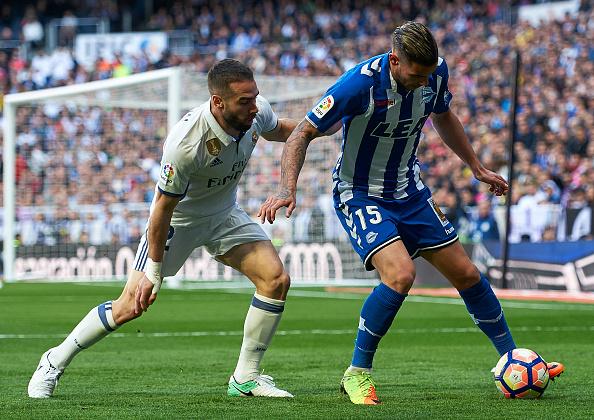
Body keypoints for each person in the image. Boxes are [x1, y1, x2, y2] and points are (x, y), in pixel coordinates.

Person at [259, 22, 564, 405]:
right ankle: (357, 373)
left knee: (468, 274)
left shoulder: (435, 72)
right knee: (401, 275)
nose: (424, 82)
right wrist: (287, 189)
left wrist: (476, 167)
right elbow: (302, 131)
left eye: (428, 74)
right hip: (360, 195)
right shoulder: (358, 84)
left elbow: (443, 115)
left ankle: (513, 359)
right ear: (394, 61)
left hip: (411, 191)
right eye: (416, 75)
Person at [28, 59, 298, 399]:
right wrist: (152, 271)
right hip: (178, 224)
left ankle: (245, 377)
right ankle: (53, 360)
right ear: (218, 102)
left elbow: (283, 130)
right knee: (131, 305)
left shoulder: (256, 112)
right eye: (244, 101)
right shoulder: (185, 144)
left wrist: (325, 124)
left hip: (224, 214)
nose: (253, 106)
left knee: (275, 280)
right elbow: (161, 210)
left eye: (255, 96)